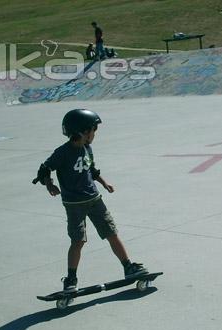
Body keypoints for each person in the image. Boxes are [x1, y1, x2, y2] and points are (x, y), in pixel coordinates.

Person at [34, 109, 148, 294]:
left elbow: (92, 170)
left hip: (95, 199)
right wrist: (49, 184)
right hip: (74, 204)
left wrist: (104, 183)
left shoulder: (87, 148)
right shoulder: (62, 153)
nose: (95, 135)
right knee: (78, 241)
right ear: (83, 131)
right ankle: (71, 280)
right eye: (93, 130)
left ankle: (128, 267)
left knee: (111, 233)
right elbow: (44, 169)